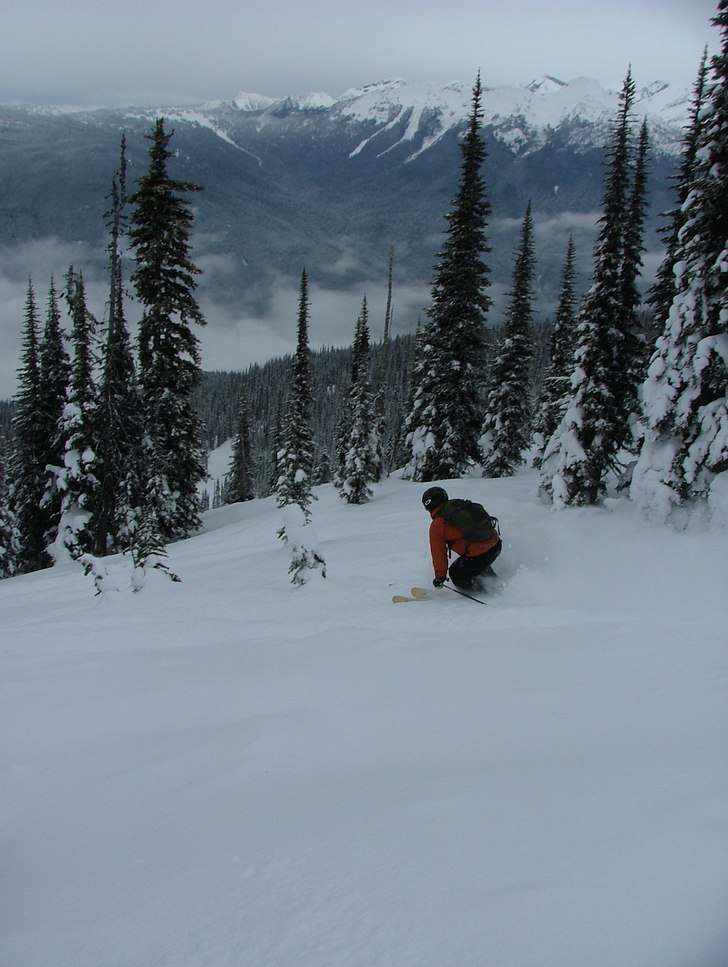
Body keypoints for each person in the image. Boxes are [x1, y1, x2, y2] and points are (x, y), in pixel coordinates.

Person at [422, 486, 502, 592]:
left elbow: (438, 553)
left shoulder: (438, 524)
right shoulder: (458, 507)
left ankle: (481, 595)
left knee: (456, 573)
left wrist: (440, 577)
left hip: (479, 554)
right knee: (474, 563)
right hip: (495, 545)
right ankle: (497, 585)